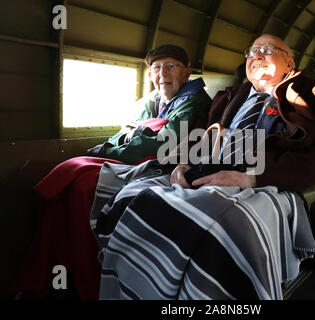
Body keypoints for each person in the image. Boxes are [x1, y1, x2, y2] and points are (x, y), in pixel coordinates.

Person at [90, 34, 315, 299]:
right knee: (131, 195)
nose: (257, 56)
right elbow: (199, 136)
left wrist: (250, 178)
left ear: (290, 63)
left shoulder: (306, 95)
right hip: (210, 166)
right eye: (252, 52)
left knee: (220, 227)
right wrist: (183, 163)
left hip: (265, 178)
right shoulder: (231, 96)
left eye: (267, 50)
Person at [9, 45, 212, 300]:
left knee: (84, 185)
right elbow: (125, 133)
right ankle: (61, 264)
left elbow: (166, 143)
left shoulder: (195, 101)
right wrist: (108, 147)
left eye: (172, 66)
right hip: (130, 158)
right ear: (150, 75)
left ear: (187, 73)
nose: (163, 73)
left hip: (160, 164)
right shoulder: (149, 102)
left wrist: (108, 153)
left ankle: (89, 270)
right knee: (68, 180)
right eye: (157, 68)